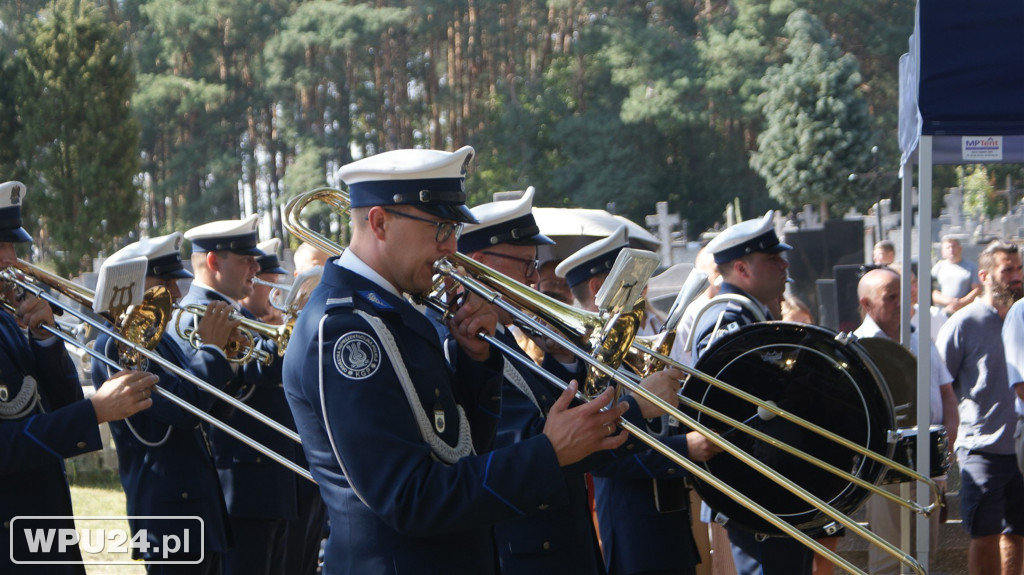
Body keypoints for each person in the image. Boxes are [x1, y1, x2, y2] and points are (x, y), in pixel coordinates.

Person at [282, 146, 630, 574]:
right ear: (379, 222)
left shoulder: (392, 312)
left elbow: (460, 450)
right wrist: (547, 453)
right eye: (441, 227)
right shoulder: (345, 329)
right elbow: (409, 499)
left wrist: (476, 360)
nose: (451, 246)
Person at [0, 181, 157, 572]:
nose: (14, 261)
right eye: (3, 248)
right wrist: (96, 412)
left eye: (14, 249)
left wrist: (45, 342)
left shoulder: (5, 321)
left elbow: (60, 408)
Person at [555, 224, 722, 575]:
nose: (645, 291)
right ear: (600, 288)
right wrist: (685, 448)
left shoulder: (631, 343)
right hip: (634, 526)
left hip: (669, 514)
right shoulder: (586, 358)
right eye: (635, 280)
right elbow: (601, 455)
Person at [91, 232, 238, 573]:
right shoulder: (118, 345)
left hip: (197, 507)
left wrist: (228, 356)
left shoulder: (158, 342)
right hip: (169, 514)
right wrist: (211, 351)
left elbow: (210, 412)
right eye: (165, 282)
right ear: (128, 287)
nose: (175, 293)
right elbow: (182, 410)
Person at [172, 215, 299, 575]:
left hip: (268, 482)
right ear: (214, 262)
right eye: (246, 259)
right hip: (241, 486)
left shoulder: (234, 313)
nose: (257, 268)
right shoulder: (192, 318)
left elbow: (274, 371)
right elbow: (211, 396)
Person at [688, 210, 812, 575]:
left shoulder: (750, 316)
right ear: (741, 269)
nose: (784, 265)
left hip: (771, 484)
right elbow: (725, 405)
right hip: (755, 488)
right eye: (773, 259)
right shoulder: (727, 319)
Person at [853, 267, 958, 575]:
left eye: (904, 295)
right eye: (891, 297)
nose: (901, 304)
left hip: (928, 464)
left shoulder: (920, 338)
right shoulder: (857, 348)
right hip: (886, 468)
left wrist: (947, 441)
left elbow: (947, 395)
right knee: (890, 557)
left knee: (925, 555)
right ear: (867, 304)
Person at [937, 240, 1024, 575]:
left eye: (1019, 269)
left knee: (1016, 534)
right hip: (981, 449)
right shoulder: (964, 324)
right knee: (984, 535)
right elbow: (942, 385)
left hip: (1019, 447)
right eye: (1008, 270)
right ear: (986, 275)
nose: (1016, 277)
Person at [241, 238, 327, 575]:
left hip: (306, 462)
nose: (275, 288)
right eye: (267, 281)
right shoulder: (248, 329)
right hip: (274, 471)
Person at [932, 236, 981, 316]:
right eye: (948, 248)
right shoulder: (937, 268)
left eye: (954, 246)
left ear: (960, 248)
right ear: (942, 252)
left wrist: (961, 303)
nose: (951, 250)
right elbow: (933, 292)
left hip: (965, 313)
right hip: (942, 314)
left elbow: (977, 290)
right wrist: (950, 302)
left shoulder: (972, 267)